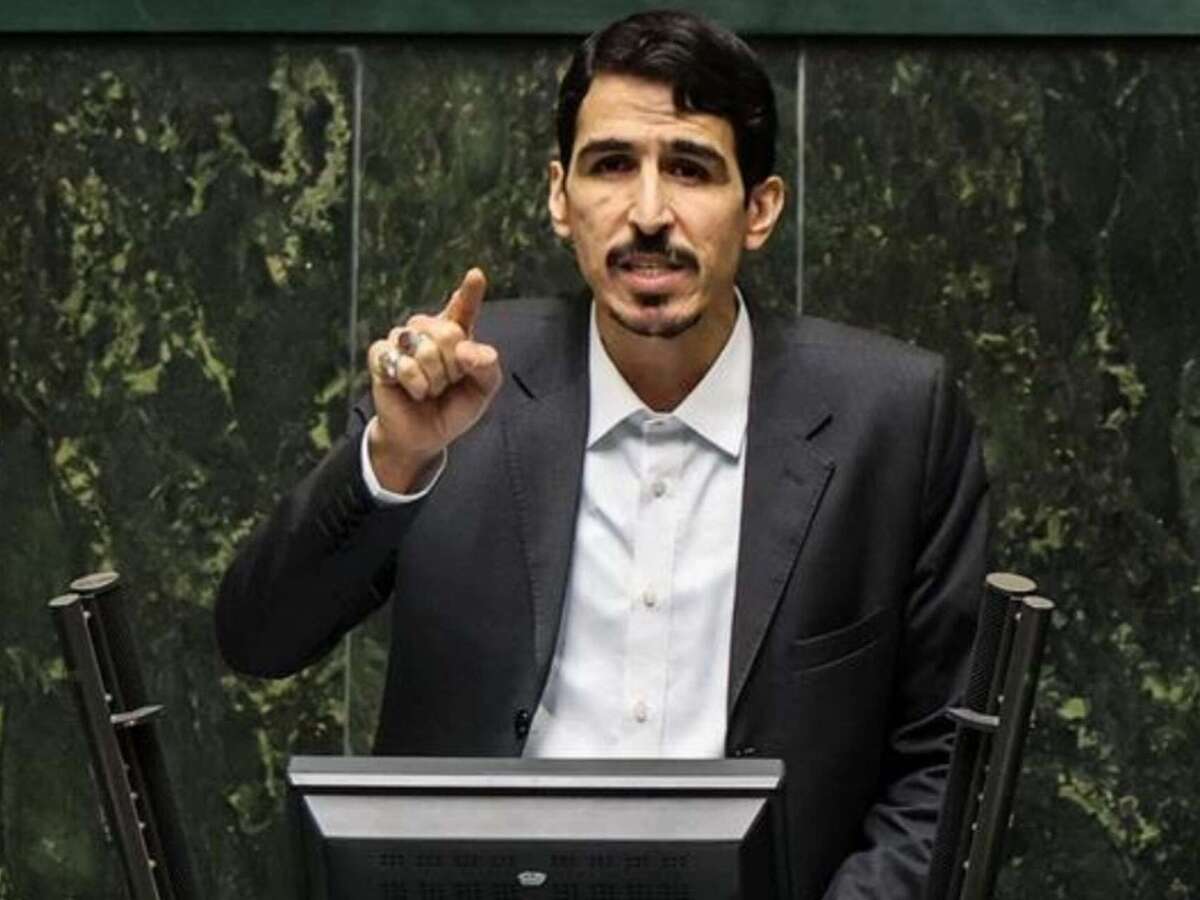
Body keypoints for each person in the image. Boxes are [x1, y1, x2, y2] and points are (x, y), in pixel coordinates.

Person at [216, 10, 988, 899]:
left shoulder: (893, 420)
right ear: (560, 197)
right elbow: (258, 638)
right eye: (612, 165)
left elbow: (944, 769)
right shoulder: (457, 388)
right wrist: (394, 460)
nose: (649, 214)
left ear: (760, 208)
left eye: (691, 169)